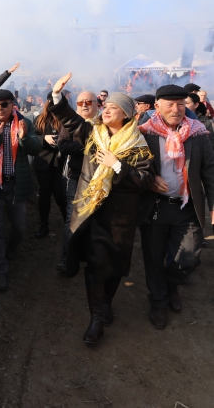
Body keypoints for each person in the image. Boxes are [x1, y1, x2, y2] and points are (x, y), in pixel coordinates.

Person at [49, 73, 154, 344]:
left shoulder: (138, 145)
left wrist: (117, 165)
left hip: (121, 216)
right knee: (95, 264)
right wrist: (57, 95)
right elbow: (70, 120)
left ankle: (107, 301)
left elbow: (144, 180)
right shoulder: (92, 134)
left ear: (127, 115)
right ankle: (96, 319)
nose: (105, 110)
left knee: (116, 264)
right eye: (105, 107)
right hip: (92, 210)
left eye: (113, 108)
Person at [137, 85, 214, 330]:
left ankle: (172, 284)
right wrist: (150, 180)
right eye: (169, 104)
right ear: (156, 106)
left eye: (181, 104)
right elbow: (132, 169)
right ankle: (159, 301)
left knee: (189, 257)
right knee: (154, 257)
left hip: (187, 207)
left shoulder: (198, 133)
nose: (176, 109)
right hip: (155, 207)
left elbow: (209, 171)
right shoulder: (143, 133)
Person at [0, 89, 42, 291]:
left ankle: (12, 249)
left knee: (19, 226)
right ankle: (1, 270)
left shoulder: (23, 123)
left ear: (13, 104)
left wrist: (24, 138)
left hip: (15, 183)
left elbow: (35, 149)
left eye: (4, 104)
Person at [55, 90, 98, 272]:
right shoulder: (70, 123)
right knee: (71, 218)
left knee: (96, 219)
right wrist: (89, 147)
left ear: (98, 104)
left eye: (89, 101)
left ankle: (93, 258)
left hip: (100, 178)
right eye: (81, 103)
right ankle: (68, 259)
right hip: (77, 175)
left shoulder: (105, 124)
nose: (85, 105)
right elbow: (62, 145)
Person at [32, 92, 67, 239]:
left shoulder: (66, 119)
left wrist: (62, 141)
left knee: (60, 195)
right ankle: (43, 225)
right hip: (43, 162)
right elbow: (31, 138)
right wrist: (43, 139)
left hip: (61, 162)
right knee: (45, 194)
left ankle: (68, 222)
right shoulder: (39, 119)